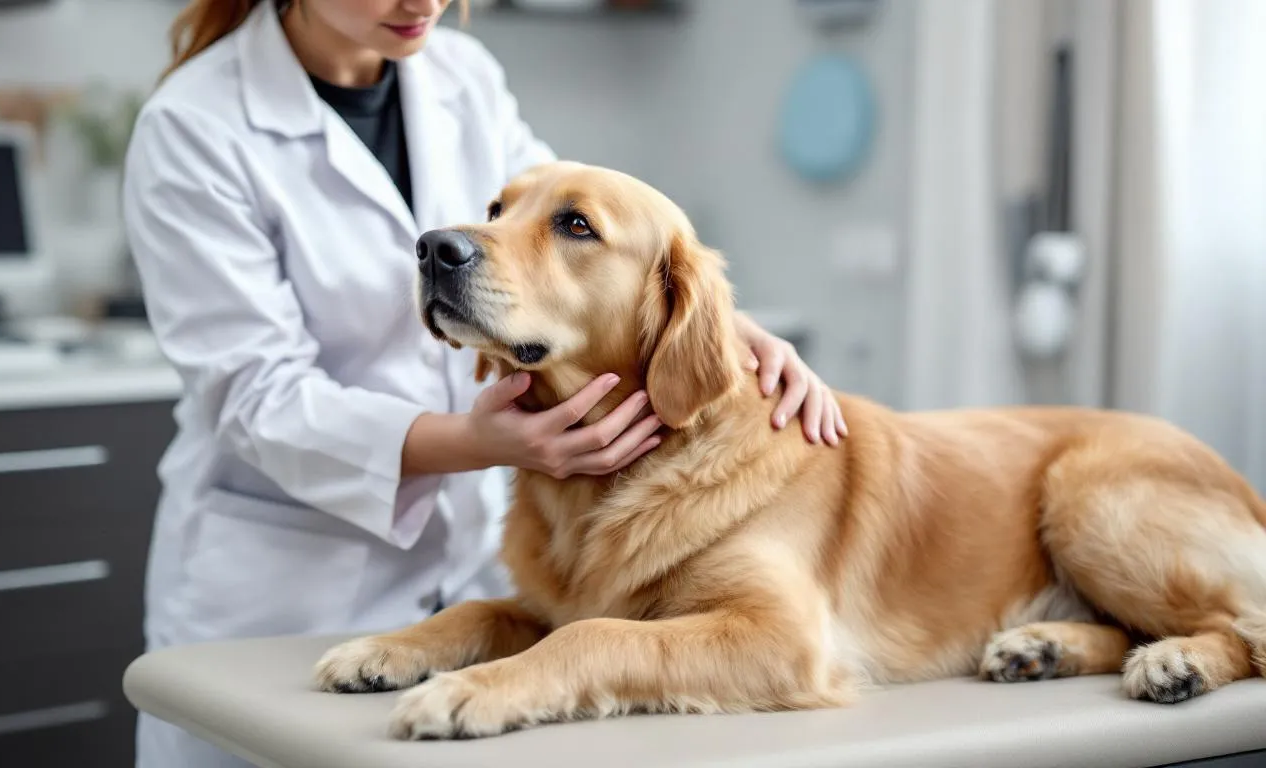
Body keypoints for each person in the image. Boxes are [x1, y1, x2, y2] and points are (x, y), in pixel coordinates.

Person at [121, 0, 848, 765]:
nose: (424, 5)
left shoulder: (460, 75)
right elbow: (256, 395)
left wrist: (719, 328)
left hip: (475, 578)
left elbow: (571, 227)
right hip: (284, 587)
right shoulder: (194, 126)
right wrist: (477, 442)